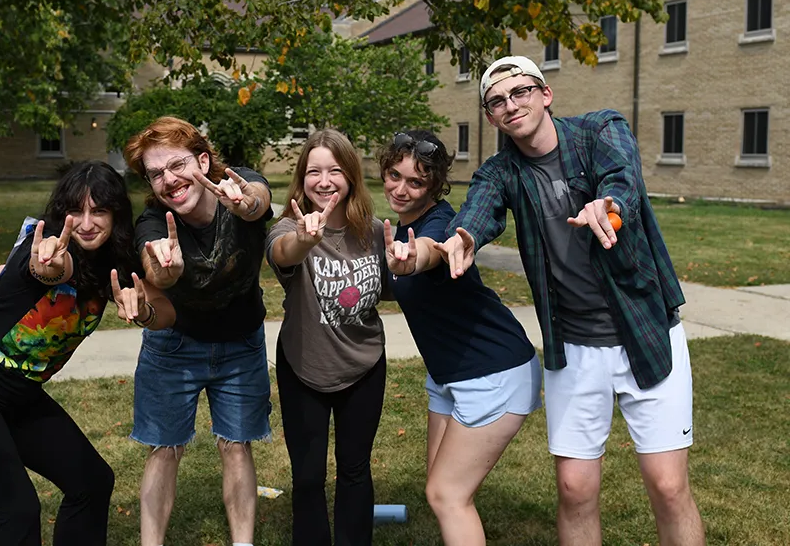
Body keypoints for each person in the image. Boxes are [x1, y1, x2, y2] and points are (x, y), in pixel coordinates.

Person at [437, 56, 704, 545]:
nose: (510, 104)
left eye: (520, 91)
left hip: (645, 331)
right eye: (497, 101)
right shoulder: (501, 172)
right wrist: (465, 238)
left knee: (668, 485)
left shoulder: (601, 129)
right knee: (575, 488)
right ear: (491, 117)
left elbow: (622, 176)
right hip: (575, 346)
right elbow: (479, 209)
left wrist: (610, 205)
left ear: (545, 94)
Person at [0, 161, 146, 546]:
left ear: (115, 214)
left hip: (20, 397)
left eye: (98, 210)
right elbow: (50, 268)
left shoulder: (113, 263)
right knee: (16, 509)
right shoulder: (46, 245)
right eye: (76, 211)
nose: (85, 223)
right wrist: (47, 262)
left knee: (92, 481)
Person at [378, 130, 541, 545]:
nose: (400, 188)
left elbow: (431, 252)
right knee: (441, 487)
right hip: (450, 373)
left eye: (415, 182)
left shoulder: (442, 227)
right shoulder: (402, 227)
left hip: (493, 372)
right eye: (394, 175)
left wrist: (414, 260)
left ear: (433, 185)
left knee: (446, 493)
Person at [124, 116, 273, 546]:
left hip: (241, 343)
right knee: (164, 449)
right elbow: (154, 266)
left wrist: (247, 203)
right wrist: (164, 270)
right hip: (174, 347)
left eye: (176, 165)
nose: (169, 180)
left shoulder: (236, 184)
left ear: (203, 161)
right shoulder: (154, 223)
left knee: (236, 445)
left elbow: (258, 199)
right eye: (156, 174)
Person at [265, 129, 391, 545]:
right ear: (301, 180)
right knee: (308, 477)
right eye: (313, 171)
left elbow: (391, 284)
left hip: (365, 365)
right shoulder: (286, 227)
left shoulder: (371, 231)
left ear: (351, 176)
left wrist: (409, 262)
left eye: (335, 171)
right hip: (305, 367)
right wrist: (303, 241)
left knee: (355, 470)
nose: (324, 181)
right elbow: (284, 252)